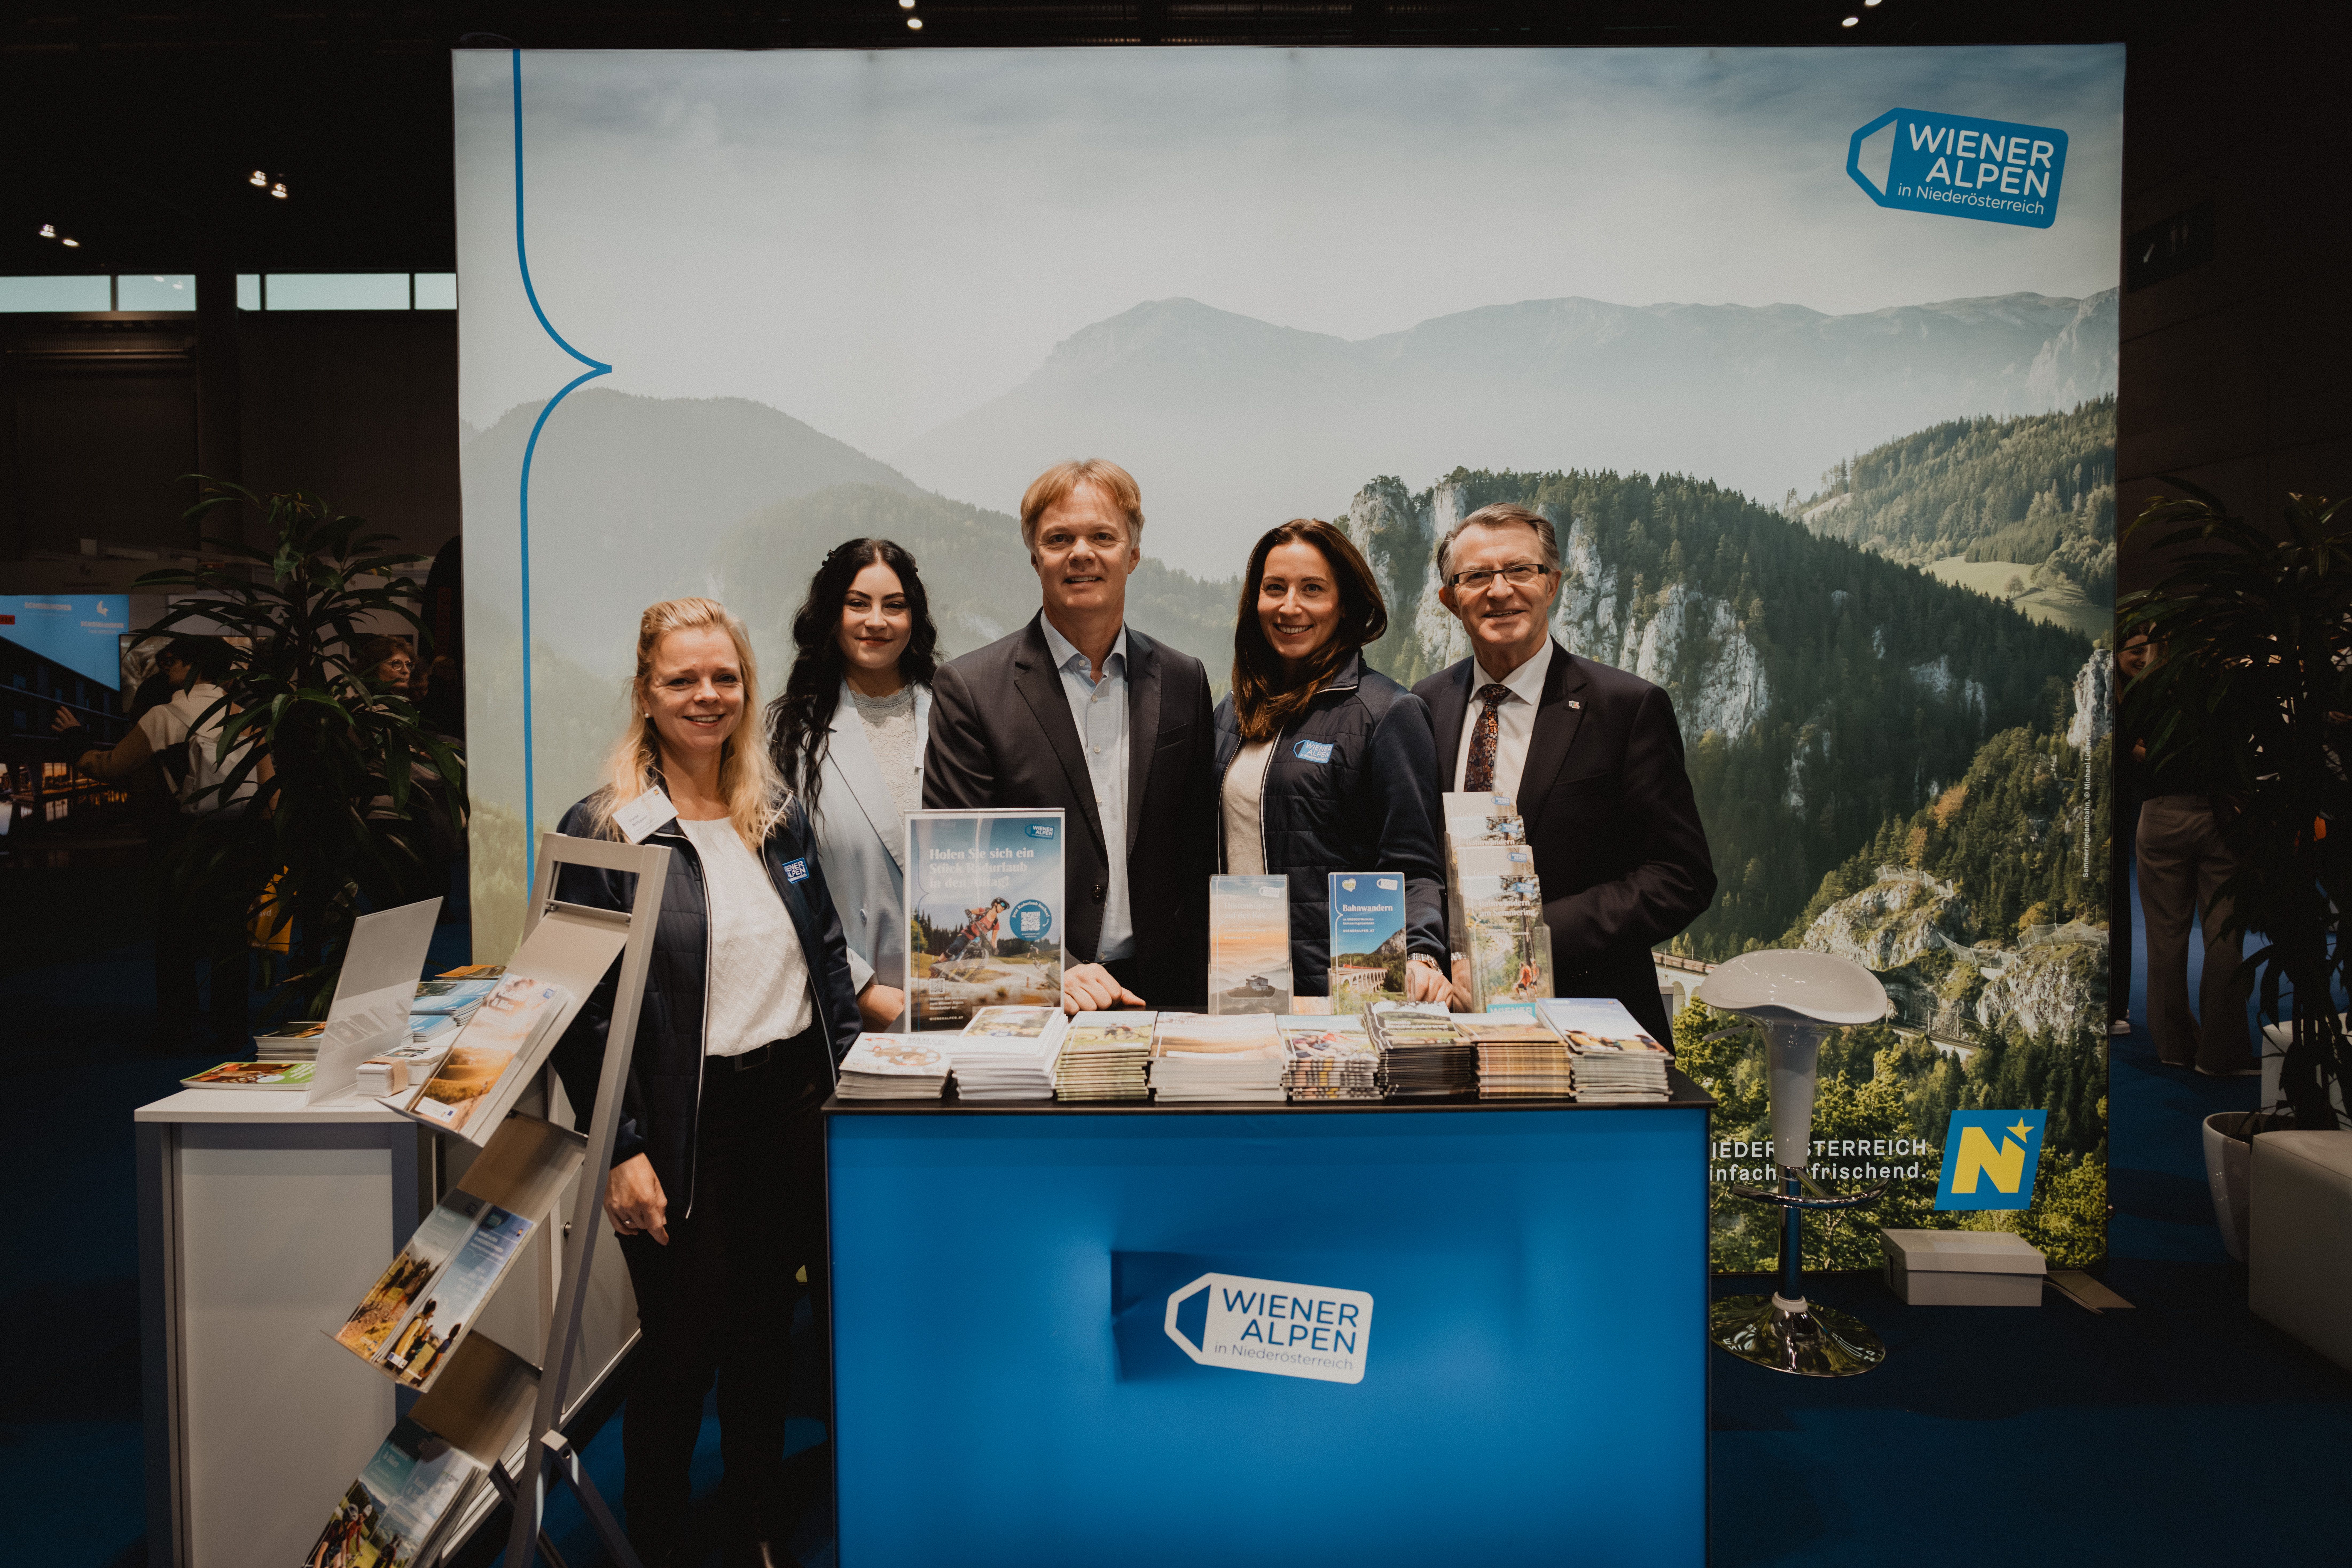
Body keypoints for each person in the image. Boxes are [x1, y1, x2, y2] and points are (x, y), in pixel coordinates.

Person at [548, 597, 863, 1566]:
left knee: (769, 1333)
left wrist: (851, 1075)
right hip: (685, 1126)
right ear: (644, 692)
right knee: (684, 1345)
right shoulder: (602, 829)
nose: (706, 696)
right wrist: (624, 1148)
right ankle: (656, 1539)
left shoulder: (775, 814)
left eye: (723, 677)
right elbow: (576, 1011)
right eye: (682, 679)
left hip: (791, 1110)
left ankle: (757, 1519)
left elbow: (826, 960)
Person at [1410, 503, 1715, 1045]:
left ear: (1552, 584)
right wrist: (1424, 954)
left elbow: (1680, 876)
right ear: (1450, 600)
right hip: (1443, 1022)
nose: (1499, 590)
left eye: (1520, 571)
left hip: (1589, 1025)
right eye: (1476, 576)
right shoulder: (1420, 707)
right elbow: (1410, 856)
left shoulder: (1626, 708)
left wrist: (1529, 938)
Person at [925, 459, 1217, 1012]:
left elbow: (1198, 848)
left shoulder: (1184, 679)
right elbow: (953, 865)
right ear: (1036, 557)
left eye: (1103, 536)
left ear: (1133, 554)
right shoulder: (969, 688)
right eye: (1059, 538)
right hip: (1036, 990)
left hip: (1168, 989)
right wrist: (1051, 967)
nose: (1081, 552)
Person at [1212, 518, 1449, 1001]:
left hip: (1339, 995)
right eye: (1274, 588)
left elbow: (1415, 865)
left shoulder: (1386, 712)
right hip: (1237, 986)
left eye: (1313, 589)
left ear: (1344, 606)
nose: (1289, 606)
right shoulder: (1231, 714)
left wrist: (1422, 954)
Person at [53, 634, 256, 1050]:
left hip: (180, 839)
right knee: (231, 933)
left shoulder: (166, 715)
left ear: (193, 666)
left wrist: (75, 740)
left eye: (172, 662)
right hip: (238, 837)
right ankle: (231, 1028)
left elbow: (111, 766)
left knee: (176, 933)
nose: (167, 670)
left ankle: (178, 1027)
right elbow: (268, 785)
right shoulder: (245, 715)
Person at [768, 538, 939, 1030]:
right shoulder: (790, 734)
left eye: (895, 606)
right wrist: (863, 988)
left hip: (966, 995)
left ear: (915, 617)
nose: (877, 621)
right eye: (857, 604)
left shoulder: (957, 714)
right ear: (830, 615)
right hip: (854, 1007)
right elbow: (782, 881)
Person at [2128, 638, 2255, 1074]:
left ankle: (2173, 1048)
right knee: (2223, 934)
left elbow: (2125, 745)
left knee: (2164, 936)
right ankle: (2221, 1054)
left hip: (2160, 813)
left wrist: (2158, 758)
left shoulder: (2146, 690)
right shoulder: (2226, 693)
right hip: (2218, 813)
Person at [2110, 631, 2154, 1035]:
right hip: (2111, 808)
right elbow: (2130, 749)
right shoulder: (2113, 696)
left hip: (2125, 807)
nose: (2145, 657)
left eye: (2148, 650)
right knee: (2115, 902)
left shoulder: (2134, 696)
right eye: (2135, 651)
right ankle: (2111, 1008)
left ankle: (2115, 1006)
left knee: (2120, 902)